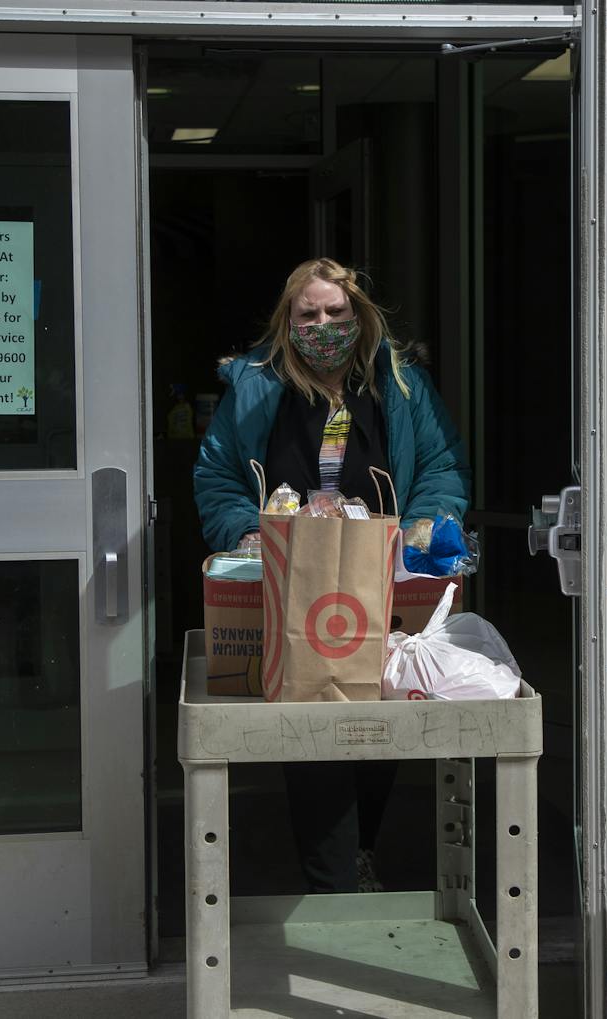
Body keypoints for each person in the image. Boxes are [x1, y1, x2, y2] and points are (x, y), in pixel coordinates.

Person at [193, 257, 471, 893]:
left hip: (383, 573)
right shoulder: (256, 386)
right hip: (291, 575)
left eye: (336, 313)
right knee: (310, 721)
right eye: (308, 314)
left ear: (359, 315)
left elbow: (441, 465)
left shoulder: (400, 384)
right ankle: (331, 880)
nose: (324, 325)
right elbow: (217, 476)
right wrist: (247, 530)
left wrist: (425, 525)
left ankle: (361, 849)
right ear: (287, 322)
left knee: (379, 716)